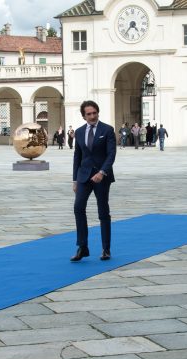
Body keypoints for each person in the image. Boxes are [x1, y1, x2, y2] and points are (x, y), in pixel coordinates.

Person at [70, 100, 117, 262]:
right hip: (83, 176)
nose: (92, 116)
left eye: (94, 113)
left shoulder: (107, 130)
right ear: (84, 116)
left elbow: (111, 154)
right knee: (78, 208)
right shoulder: (79, 132)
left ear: (98, 113)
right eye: (89, 114)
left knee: (103, 212)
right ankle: (82, 247)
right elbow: (77, 156)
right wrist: (75, 180)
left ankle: (106, 249)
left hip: (101, 177)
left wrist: (102, 172)